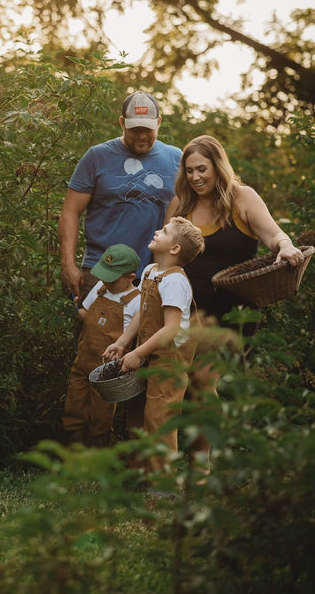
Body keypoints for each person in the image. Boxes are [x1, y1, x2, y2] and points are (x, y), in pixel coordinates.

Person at [165, 134, 304, 470]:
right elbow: (167, 253)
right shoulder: (180, 205)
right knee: (181, 384)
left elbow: (272, 233)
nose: (196, 177)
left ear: (218, 167)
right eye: (190, 171)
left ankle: (200, 465)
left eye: (202, 169)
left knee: (201, 380)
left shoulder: (242, 198)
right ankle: (175, 460)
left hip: (230, 309)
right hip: (187, 306)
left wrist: (284, 245)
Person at [59, 91, 181, 305]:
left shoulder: (177, 159)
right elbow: (70, 212)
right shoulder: (97, 157)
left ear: (159, 122)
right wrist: (68, 265)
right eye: (135, 129)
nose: (142, 136)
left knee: (145, 338)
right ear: (122, 123)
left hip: (152, 273)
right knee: (94, 337)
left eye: (148, 129)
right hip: (101, 270)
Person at [103, 217, 205, 472]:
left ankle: (163, 482)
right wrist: (123, 341)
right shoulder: (151, 272)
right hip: (149, 351)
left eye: (165, 231)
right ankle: (139, 470)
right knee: (138, 412)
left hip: (169, 359)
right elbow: (143, 312)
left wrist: (138, 353)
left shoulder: (175, 282)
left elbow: (171, 329)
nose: (158, 231)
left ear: (174, 249)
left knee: (159, 417)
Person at [62, 244, 141, 448]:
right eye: (104, 275)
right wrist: (71, 306)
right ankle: (74, 446)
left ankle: (99, 450)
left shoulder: (136, 301)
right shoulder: (100, 288)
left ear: (130, 277)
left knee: (101, 410)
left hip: (105, 369)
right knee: (74, 402)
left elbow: (131, 336)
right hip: (83, 358)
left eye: (112, 277)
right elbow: (85, 315)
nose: (105, 280)